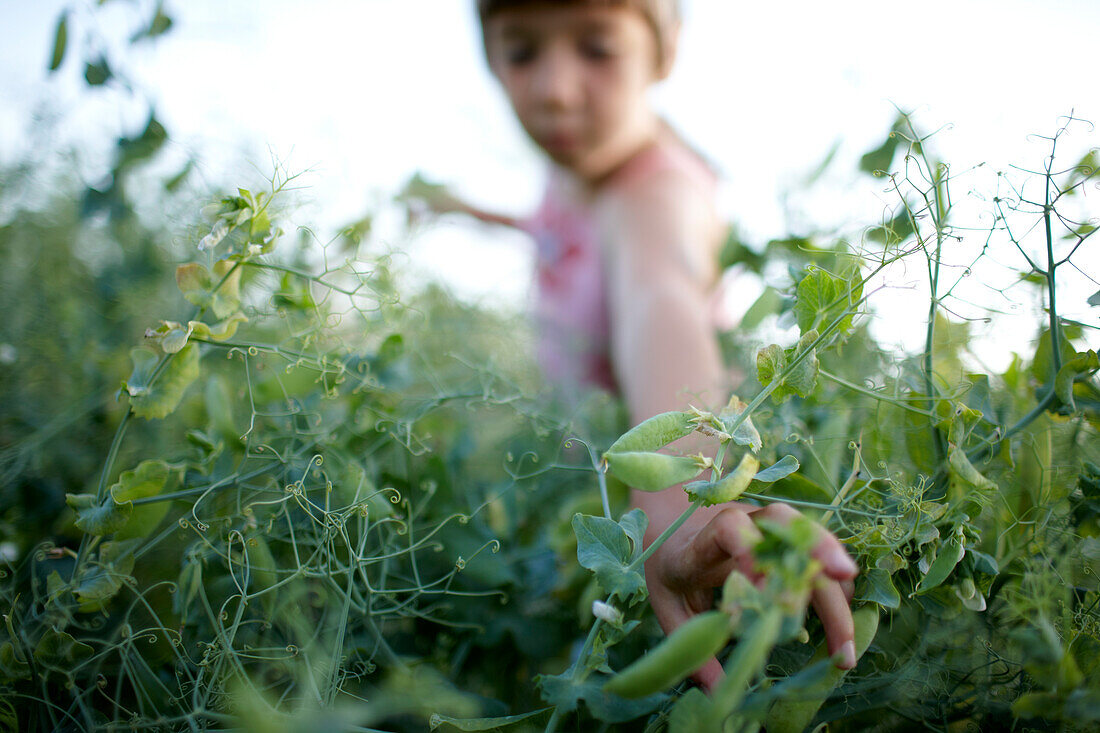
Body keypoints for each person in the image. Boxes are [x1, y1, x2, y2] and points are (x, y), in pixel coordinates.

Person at [405, 0, 859, 691]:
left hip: (631, 537)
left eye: (597, 47)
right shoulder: (573, 175)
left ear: (663, 51)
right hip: (578, 514)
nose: (555, 89)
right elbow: (549, 223)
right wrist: (465, 210)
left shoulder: (656, 196)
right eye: (522, 52)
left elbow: (660, 298)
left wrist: (685, 519)